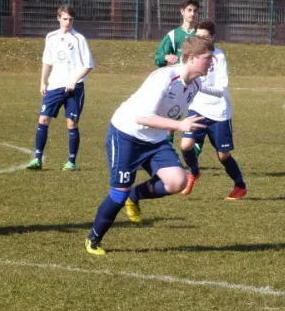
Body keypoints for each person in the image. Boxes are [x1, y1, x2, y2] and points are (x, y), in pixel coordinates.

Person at [85, 36, 219, 255]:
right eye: (207, 58)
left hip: (154, 139)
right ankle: (93, 239)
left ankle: (135, 195)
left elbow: (170, 112)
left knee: (178, 182)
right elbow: (142, 117)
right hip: (126, 134)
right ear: (192, 58)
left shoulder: (195, 84)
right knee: (118, 194)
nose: (211, 62)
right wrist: (180, 125)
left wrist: (171, 131)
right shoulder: (165, 78)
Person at [178, 20, 247, 200]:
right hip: (197, 109)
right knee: (185, 145)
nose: (202, 40)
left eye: (205, 37)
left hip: (218, 112)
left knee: (223, 155)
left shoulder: (219, 57)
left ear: (213, 37)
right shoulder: (191, 55)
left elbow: (221, 90)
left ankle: (240, 186)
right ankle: (194, 172)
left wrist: (200, 85)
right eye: (198, 37)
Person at [26, 5, 94, 171]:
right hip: (55, 86)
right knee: (43, 119)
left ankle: (71, 162)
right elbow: (47, 61)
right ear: (58, 18)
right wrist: (43, 81)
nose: (68, 22)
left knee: (71, 123)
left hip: (74, 88)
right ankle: (37, 159)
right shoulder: (51, 37)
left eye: (70, 19)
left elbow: (89, 65)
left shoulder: (79, 39)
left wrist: (74, 80)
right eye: (65, 19)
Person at [154, 0, 200, 146]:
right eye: (189, 10)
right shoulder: (173, 35)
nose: (192, 14)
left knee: (198, 119)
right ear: (182, 12)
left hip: (197, 83)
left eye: (195, 11)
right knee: (171, 122)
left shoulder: (200, 35)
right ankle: (167, 151)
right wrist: (166, 56)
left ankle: (194, 152)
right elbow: (158, 58)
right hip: (178, 83)